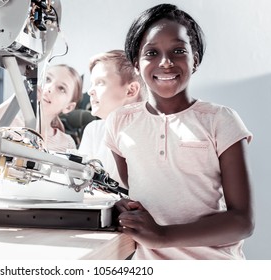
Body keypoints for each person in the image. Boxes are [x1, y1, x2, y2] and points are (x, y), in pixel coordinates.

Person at [105, 3, 254, 259]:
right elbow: (135, 191)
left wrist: (163, 236)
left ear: (194, 59)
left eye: (178, 50)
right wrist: (124, 206)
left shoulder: (220, 120)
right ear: (136, 63)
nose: (165, 62)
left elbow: (242, 222)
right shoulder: (121, 122)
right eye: (151, 53)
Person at [78, 49, 143, 189]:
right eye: (91, 83)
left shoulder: (150, 132)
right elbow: (81, 181)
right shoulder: (93, 130)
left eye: (100, 82)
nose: (90, 91)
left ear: (131, 90)